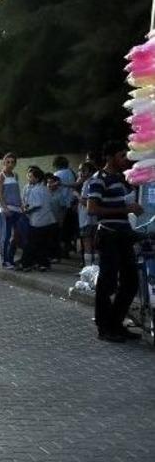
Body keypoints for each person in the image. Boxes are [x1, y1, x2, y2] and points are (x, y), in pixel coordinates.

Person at [87, 141, 143, 343]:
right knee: (107, 283)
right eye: (121, 155)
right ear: (110, 157)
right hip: (109, 235)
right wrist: (124, 210)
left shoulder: (120, 180)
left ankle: (116, 323)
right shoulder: (98, 180)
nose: (125, 159)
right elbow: (92, 209)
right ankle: (104, 328)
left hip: (123, 236)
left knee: (130, 282)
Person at [19, 167, 55, 272]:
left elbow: (36, 205)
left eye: (31, 176)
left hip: (38, 221)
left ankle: (25, 264)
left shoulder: (35, 190)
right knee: (42, 244)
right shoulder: (45, 188)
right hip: (48, 220)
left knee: (30, 244)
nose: (29, 178)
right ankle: (43, 263)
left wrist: (26, 210)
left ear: (37, 178)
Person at [0, 153, 26, 270]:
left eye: (12, 162)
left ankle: (11, 258)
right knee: (6, 235)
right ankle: (5, 261)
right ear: (4, 162)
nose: (10, 164)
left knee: (17, 236)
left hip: (17, 209)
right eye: (8, 162)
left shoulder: (15, 175)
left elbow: (17, 192)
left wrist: (22, 206)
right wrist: (5, 208)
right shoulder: (1, 176)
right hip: (7, 209)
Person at [53, 156, 78, 258]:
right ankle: (67, 248)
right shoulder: (71, 173)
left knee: (60, 229)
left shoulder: (57, 174)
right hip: (71, 203)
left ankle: (61, 250)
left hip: (61, 205)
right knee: (68, 229)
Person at [76, 162, 98, 266]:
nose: (80, 173)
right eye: (79, 170)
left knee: (87, 244)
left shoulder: (87, 183)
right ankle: (96, 266)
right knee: (96, 244)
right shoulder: (97, 181)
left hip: (86, 218)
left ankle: (88, 268)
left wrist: (76, 195)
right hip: (96, 218)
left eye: (83, 170)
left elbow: (85, 202)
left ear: (90, 172)